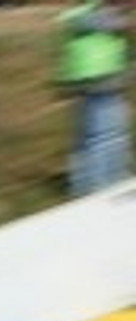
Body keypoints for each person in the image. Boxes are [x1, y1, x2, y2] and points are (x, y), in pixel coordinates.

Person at [57, 0, 132, 196]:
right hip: (100, 82)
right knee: (107, 137)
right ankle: (104, 187)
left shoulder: (87, 14)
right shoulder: (96, 15)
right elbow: (115, 25)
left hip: (92, 82)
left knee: (88, 138)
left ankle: (84, 186)